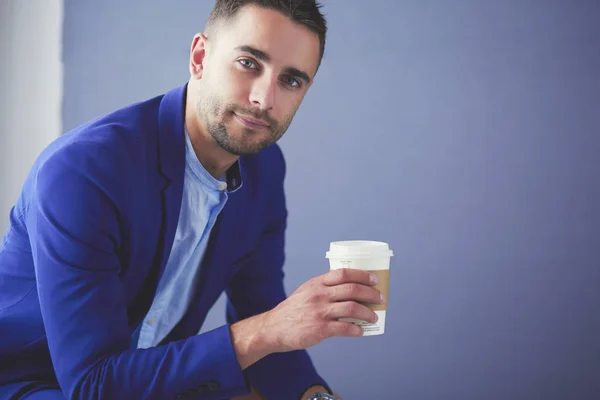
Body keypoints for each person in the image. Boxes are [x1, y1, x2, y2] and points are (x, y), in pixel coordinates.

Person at [0, 1, 384, 399]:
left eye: (290, 81)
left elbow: (261, 307)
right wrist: (269, 329)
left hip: (151, 383)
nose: (264, 99)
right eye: (249, 63)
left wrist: (314, 396)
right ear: (200, 57)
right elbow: (92, 385)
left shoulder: (263, 169)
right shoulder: (85, 170)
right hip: (31, 383)